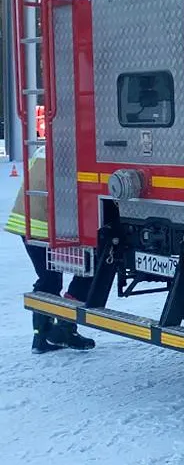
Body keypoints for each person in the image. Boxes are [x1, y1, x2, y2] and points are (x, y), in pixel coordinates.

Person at [5, 150, 96, 354]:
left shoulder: (44, 147)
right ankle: (64, 328)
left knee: (48, 280)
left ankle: (42, 337)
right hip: (48, 227)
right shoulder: (72, 149)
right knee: (89, 270)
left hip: (27, 223)